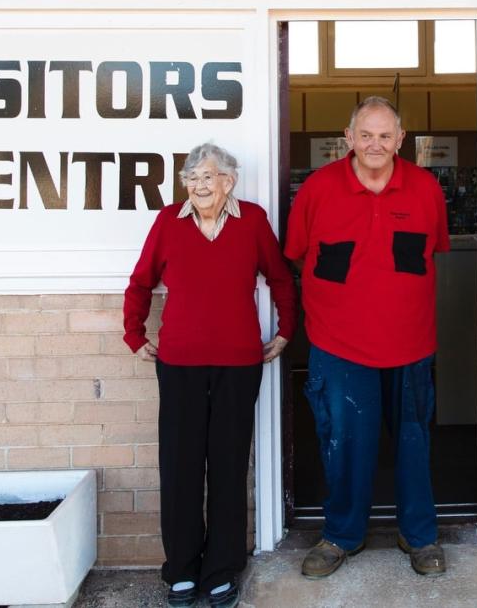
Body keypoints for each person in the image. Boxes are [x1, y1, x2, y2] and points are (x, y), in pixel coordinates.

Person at [123, 143, 296, 608]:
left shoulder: (253, 221)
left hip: (239, 364)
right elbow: (140, 282)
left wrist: (285, 332)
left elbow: (280, 277)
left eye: (210, 176)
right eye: (192, 177)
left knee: (227, 466)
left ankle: (220, 569)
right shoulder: (167, 222)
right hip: (178, 364)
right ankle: (181, 569)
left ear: (229, 181)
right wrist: (134, 335)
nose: (200, 185)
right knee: (180, 467)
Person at [285, 96, 450, 579]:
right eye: (365, 134)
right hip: (339, 347)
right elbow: (296, 254)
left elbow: (432, 252)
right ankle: (341, 535)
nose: (374, 144)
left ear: (400, 140)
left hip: (411, 345)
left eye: (385, 135)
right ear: (348, 138)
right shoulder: (318, 189)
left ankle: (419, 536)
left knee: (414, 445)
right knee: (343, 444)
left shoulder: (425, 189)